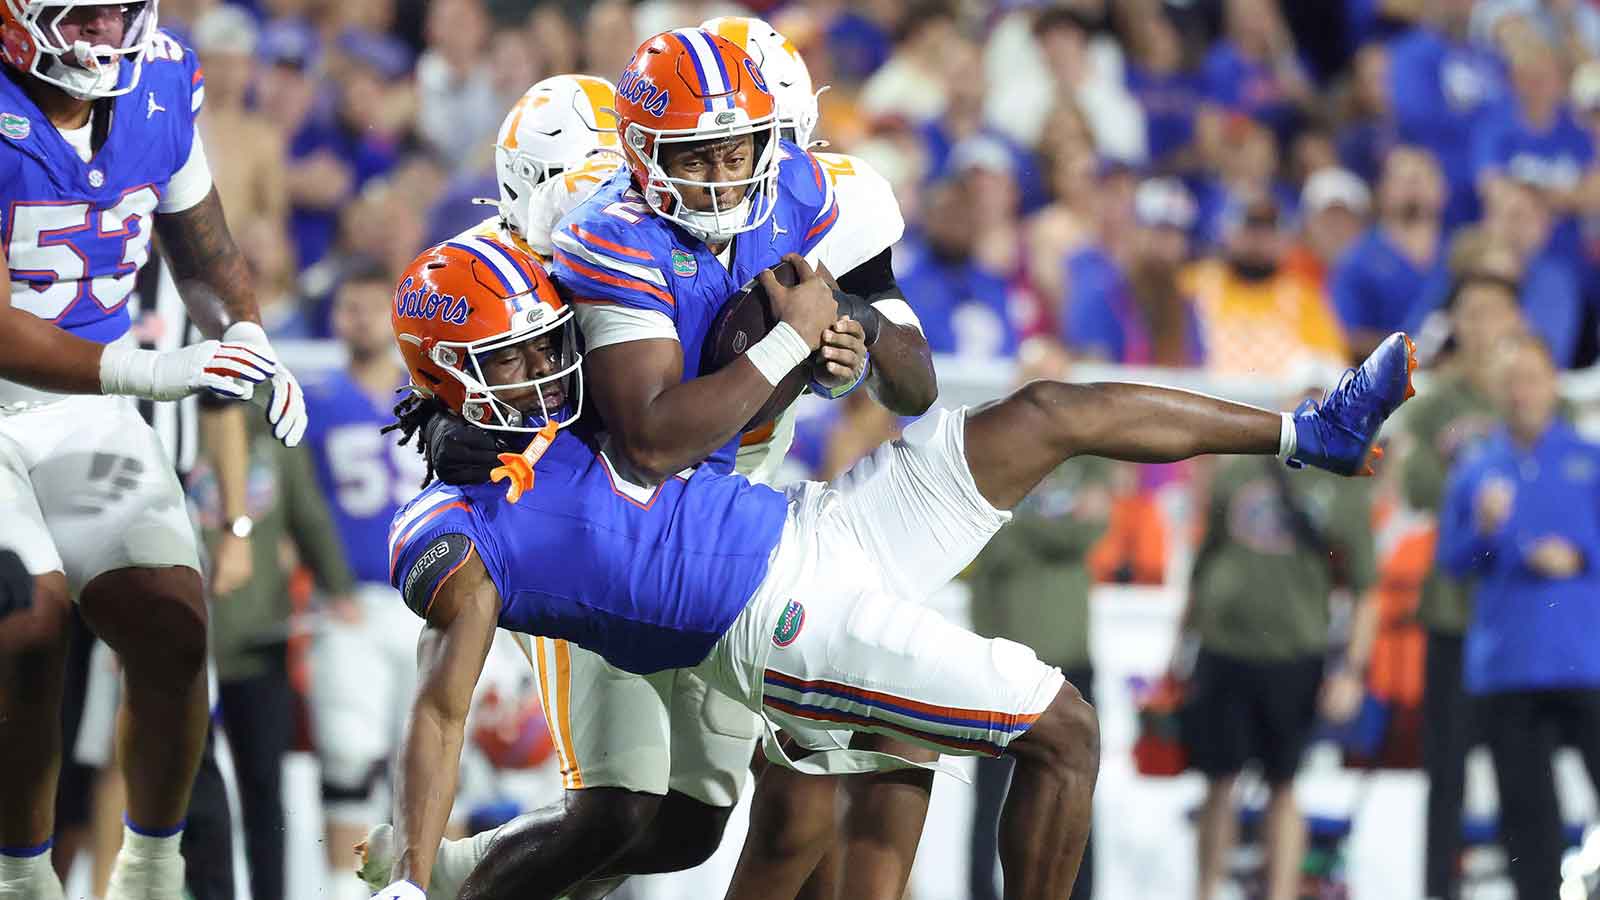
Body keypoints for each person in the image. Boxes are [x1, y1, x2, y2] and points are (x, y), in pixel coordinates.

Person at [371, 235, 1417, 900]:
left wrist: (829, 345)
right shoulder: (453, 529)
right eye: (510, 359)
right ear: (444, 375)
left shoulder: (565, 405)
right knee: (1065, 732)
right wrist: (414, 876)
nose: (545, 367)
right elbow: (438, 708)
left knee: (1048, 412)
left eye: (542, 342)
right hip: (773, 623)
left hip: (812, 525)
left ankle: (1309, 432)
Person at [363, 26, 936, 900]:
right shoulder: (564, 254)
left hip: (731, 513)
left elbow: (908, 378)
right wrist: (453, 431)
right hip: (605, 525)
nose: (723, 177)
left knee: (693, 825)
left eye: (739, 146)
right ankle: (435, 882)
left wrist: (846, 331)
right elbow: (468, 361)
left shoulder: (794, 202)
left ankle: (454, 872)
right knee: (620, 808)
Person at [0, 4, 307, 899]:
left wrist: (249, 338)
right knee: (29, 630)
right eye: (79, 16)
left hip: (88, 409)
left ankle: (151, 871)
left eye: (115, 14)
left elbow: (203, 252)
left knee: (174, 627)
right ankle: (21, 876)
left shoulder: (160, 81)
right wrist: (150, 368)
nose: (102, 36)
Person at [1175, 372, 1379, 900]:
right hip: (1225, 648)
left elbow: (1366, 587)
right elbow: (1205, 559)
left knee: (1285, 785)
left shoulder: (1341, 479)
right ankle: (1205, 892)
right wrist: (1180, 645)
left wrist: (1351, 672)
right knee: (1217, 782)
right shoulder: (1239, 465)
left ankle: (1281, 892)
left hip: (1295, 652)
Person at [1438, 331, 1600, 900]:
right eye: (1510, 383)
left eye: (1531, 379)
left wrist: (1580, 556)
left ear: (1553, 385)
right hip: (1511, 665)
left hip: (1586, 660)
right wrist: (1484, 531)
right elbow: (1455, 564)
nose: (1521, 393)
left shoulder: (1589, 460)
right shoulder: (1477, 472)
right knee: (1528, 818)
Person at [298, 260, 430, 900]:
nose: (360, 320)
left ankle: (432, 886)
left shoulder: (437, 397)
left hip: (431, 605)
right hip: (350, 602)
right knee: (348, 759)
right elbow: (298, 506)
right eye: (349, 308)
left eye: (372, 306)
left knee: (435, 769)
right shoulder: (317, 402)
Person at [1400, 272, 1526, 900]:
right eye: (1470, 314)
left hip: (1524, 615)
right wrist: (1483, 494)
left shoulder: (1531, 400)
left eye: (1494, 313)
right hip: (1453, 610)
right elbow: (1415, 487)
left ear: (1515, 323)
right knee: (1445, 771)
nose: (1482, 327)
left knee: (1521, 767)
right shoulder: (1434, 403)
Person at [1330, 145, 1449, 359]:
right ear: (1382, 191)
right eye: (1403, 180)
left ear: (1442, 190)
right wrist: (1411, 353)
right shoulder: (1358, 260)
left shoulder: (1458, 254)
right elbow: (1348, 336)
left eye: (1421, 178)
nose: (1413, 187)